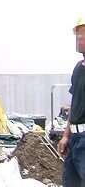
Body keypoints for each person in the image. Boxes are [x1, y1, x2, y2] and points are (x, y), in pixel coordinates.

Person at [60, 20, 85, 186]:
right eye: (77, 35)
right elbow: (74, 103)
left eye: (81, 35)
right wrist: (66, 135)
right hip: (75, 139)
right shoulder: (78, 68)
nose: (78, 39)